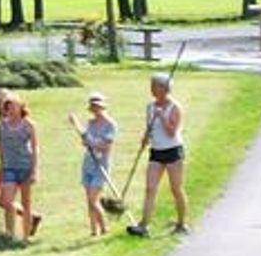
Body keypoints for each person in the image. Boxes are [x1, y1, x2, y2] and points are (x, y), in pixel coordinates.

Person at [126, 72, 187, 236]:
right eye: (151, 86)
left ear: (164, 88)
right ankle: (144, 225)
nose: (151, 89)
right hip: (156, 151)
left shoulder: (175, 108)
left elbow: (172, 132)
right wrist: (145, 138)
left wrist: (162, 116)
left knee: (176, 189)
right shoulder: (150, 107)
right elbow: (150, 127)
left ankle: (181, 223)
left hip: (173, 151)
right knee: (150, 188)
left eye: (155, 86)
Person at [0, 94, 39, 241]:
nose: (10, 110)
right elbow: (2, 147)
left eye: (13, 106)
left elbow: (35, 148)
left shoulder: (29, 125)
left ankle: (26, 237)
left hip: (25, 167)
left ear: (21, 107)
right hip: (9, 167)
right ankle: (10, 235)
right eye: (7, 107)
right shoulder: (2, 125)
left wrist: (34, 170)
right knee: (6, 201)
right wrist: (1, 167)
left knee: (26, 204)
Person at [76, 92, 117, 237]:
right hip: (88, 163)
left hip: (101, 166)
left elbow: (105, 146)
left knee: (93, 199)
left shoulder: (111, 125)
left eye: (98, 106)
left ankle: (104, 227)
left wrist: (90, 142)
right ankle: (94, 230)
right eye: (93, 107)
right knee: (89, 199)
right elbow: (86, 141)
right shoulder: (90, 123)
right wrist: (88, 141)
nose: (95, 109)